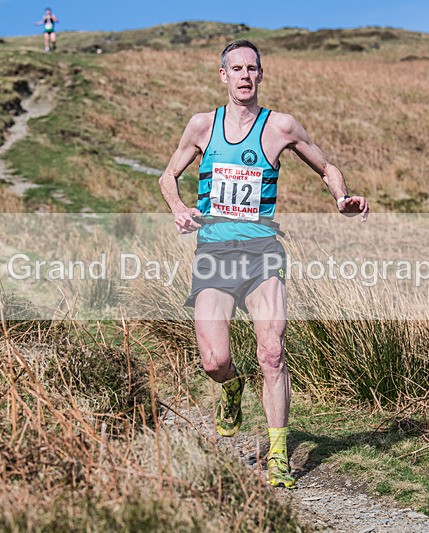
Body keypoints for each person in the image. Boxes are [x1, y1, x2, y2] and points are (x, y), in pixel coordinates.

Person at [158, 40, 368, 488]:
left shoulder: (281, 127)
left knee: (272, 352)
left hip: (262, 253)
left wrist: (340, 197)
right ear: (223, 76)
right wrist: (178, 207)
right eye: (236, 69)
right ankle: (232, 388)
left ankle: (278, 456)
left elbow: (326, 165)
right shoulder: (201, 126)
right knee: (214, 361)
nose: (245, 76)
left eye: (252, 68)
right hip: (214, 253)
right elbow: (166, 176)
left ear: (261, 74)